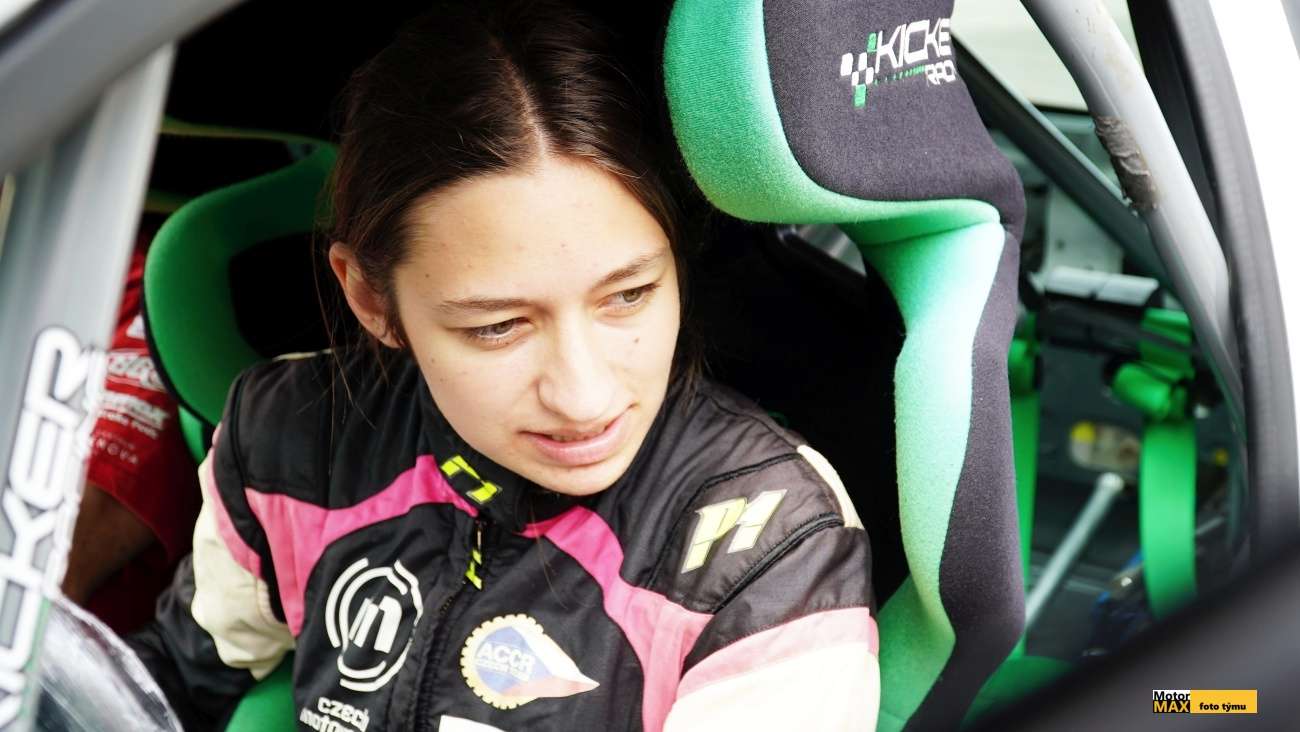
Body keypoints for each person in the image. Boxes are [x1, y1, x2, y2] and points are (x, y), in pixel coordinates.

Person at [129, 2, 879, 730]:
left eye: (629, 295)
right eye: (497, 327)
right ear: (369, 299)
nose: (583, 397)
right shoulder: (291, 438)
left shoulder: (767, 543)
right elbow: (168, 683)